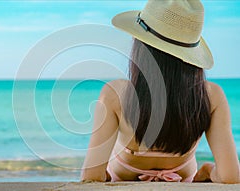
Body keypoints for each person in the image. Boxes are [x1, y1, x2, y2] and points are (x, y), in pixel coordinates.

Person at [80, 0, 240, 183]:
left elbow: (90, 177)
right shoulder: (211, 96)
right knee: (204, 167)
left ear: (141, 47)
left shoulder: (115, 93)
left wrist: (106, 176)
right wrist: (209, 170)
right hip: (183, 175)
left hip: (124, 173)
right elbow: (230, 177)